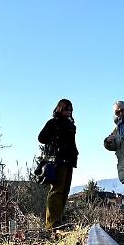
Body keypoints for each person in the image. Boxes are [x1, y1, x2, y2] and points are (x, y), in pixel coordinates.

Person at [38, 98, 79, 230]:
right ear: (60, 109)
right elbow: (41, 137)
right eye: (66, 109)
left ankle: (58, 221)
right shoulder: (53, 122)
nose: (69, 111)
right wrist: (55, 142)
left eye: (71, 109)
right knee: (56, 190)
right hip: (58, 160)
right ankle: (51, 223)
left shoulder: (70, 124)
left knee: (65, 191)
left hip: (70, 160)